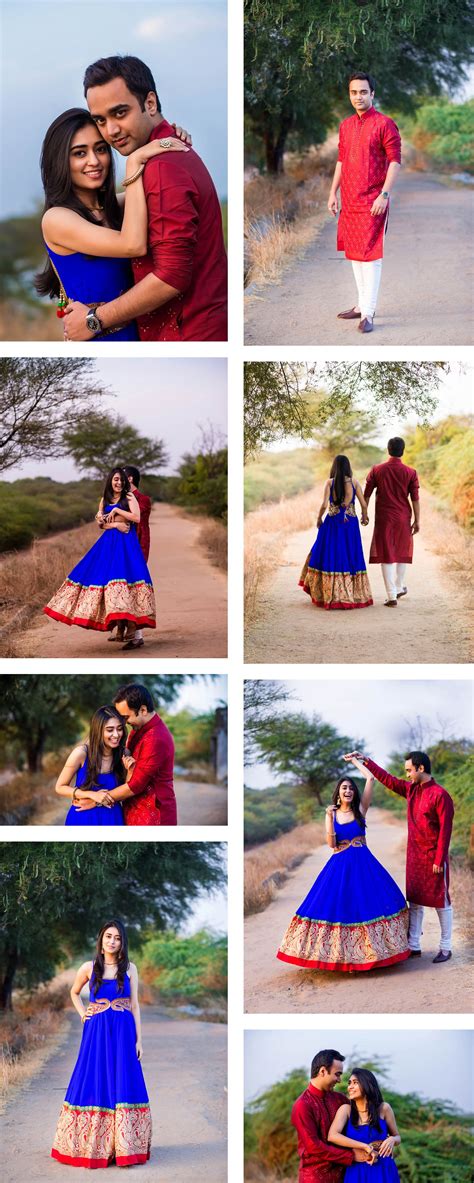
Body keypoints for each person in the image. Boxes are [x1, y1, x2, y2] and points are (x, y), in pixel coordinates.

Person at [63, 55, 228, 342]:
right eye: (101, 120)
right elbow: (102, 209)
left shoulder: (162, 167)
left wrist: (93, 321)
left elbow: (171, 276)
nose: (111, 131)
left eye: (120, 113)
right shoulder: (158, 160)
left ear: (149, 103)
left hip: (187, 332)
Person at [35, 108, 190, 340]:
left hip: (143, 336)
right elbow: (132, 245)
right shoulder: (56, 219)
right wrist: (135, 160)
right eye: (79, 153)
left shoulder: (113, 209)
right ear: (59, 161)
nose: (94, 161)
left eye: (100, 149)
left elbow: (158, 190)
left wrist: (169, 141)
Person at [277, 760, 409, 971]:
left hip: (364, 863)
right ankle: (343, 958)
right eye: (344, 788)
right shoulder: (332, 814)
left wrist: (356, 761)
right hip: (340, 864)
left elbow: (370, 778)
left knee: (370, 903)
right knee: (339, 905)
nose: (348, 790)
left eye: (350, 788)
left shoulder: (360, 810)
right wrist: (329, 817)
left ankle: (377, 953)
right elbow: (331, 844)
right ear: (338, 793)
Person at [51, 919, 151, 1167]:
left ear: (122, 941)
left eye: (117, 937)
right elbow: (74, 992)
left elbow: (135, 1005)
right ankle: (92, 1145)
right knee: (95, 1078)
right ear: (101, 939)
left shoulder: (130, 969)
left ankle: (124, 1147)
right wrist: (82, 1013)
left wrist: (139, 1040)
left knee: (124, 1078)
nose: (112, 941)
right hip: (96, 1031)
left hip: (123, 1031)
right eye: (108, 936)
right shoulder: (88, 967)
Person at [345, 750, 455, 963]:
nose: (406, 775)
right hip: (414, 856)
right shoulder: (411, 790)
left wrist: (439, 859)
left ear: (421, 768)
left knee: (441, 901)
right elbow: (387, 779)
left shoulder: (440, 795)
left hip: (433, 858)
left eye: (409, 770)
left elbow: (445, 831)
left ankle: (446, 947)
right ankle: (414, 945)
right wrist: (366, 760)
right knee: (414, 900)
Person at [44, 467, 156, 645]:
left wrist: (118, 512)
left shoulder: (129, 497)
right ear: (111, 481)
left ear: (127, 481)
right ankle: (118, 624)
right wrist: (114, 525)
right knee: (105, 580)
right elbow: (101, 524)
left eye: (121, 480)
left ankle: (133, 628)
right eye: (116, 480)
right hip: (108, 544)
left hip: (127, 544)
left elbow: (136, 518)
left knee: (127, 580)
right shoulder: (104, 500)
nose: (119, 483)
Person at [328, 73, 401, 334]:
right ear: (349, 95)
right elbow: (341, 161)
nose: (358, 96)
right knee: (355, 256)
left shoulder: (384, 124)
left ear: (373, 94)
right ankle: (360, 305)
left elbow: (394, 161)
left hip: (373, 200)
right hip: (350, 199)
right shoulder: (346, 126)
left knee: (371, 257)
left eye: (363, 92)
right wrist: (332, 192)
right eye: (353, 92)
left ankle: (368, 313)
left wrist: (384, 194)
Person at [86, 683, 177, 826]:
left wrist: (95, 800)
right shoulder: (138, 729)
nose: (124, 722)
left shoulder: (156, 738)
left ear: (143, 710)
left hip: (153, 815)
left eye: (126, 717)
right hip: (133, 810)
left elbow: (136, 785)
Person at [299, 455, 373, 610]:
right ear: (348, 467)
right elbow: (364, 504)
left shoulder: (329, 483)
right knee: (350, 554)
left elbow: (325, 504)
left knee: (329, 554)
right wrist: (364, 516)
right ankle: (350, 594)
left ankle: (328, 594)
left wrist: (319, 518)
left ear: (334, 467)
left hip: (332, 523)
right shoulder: (354, 482)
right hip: (350, 525)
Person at [291, 1048, 372, 1182]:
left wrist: (381, 1140)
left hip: (345, 1175)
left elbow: (360, 1125)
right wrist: (351, 1156)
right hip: (315, 1177)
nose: (340, 1080)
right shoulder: (302, 1105)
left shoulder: (340, 1100)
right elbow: (313, 1146)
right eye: (337, 1074)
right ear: (323, 1071)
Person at [55, 705, 135, 826]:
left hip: (113, 818)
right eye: (109, 730)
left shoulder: (124, 754)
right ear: (98, 730)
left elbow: (125, 795)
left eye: (119, 728)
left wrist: (130, 771)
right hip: (83, 819)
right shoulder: (81, 753)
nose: (116, 734)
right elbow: (60, 787)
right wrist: (91, 795)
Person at [364, 437, 420, 606]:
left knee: (386, 554)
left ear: (388, 450)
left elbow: (366, 494)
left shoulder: (376, 470)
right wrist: (417, 520)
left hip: (384, 518)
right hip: (403, 517)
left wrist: (364, 513)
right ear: (402, 451)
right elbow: (415, 499)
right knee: (402, 551)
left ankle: (392, 595)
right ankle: (399, 586)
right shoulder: (411, 472)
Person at [328, 1068, 401, 1179]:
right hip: (356, 1171)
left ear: (367, 1084)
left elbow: (397, 1137)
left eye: (355, 1083)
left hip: (383, 1169)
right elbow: (332, 1136)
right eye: (349, 1083)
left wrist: (392, 1140)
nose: (350, 1087)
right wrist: (364, 1146)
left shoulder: (384, 1108)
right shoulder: (346, 1110)